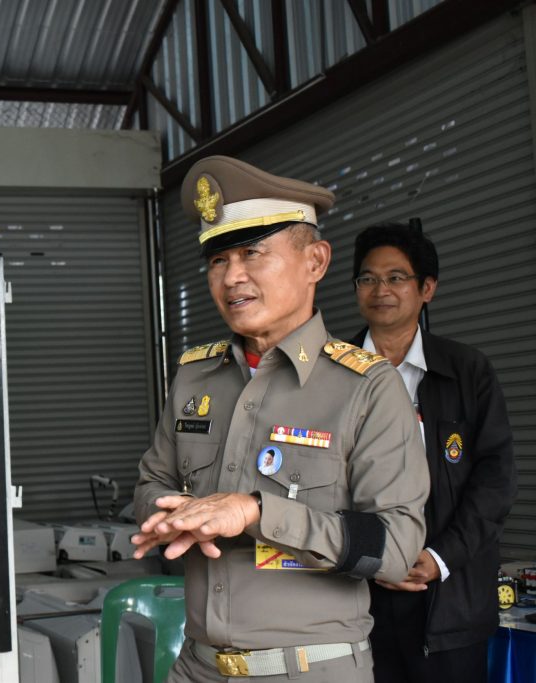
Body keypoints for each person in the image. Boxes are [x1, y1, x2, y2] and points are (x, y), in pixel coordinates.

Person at [131, 156, 430, 682]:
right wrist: (166, 512)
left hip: (308, 670)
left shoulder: (366, 387)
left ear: (315, 261)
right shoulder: (194, 378)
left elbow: (395, 547)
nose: (232, 277)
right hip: (196, 667)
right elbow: (153, 479)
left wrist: (254, 513)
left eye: (252, 252)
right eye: (218, 260)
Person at [350, 223, 517, 683]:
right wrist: (373, 558)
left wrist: (439, 557)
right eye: (367, 279)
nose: (380, 290)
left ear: (427, 289)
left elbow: (495, 480)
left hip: (448, 599)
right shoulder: (329, 372)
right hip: (352, 602)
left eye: (396, 278)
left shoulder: (468, 372)